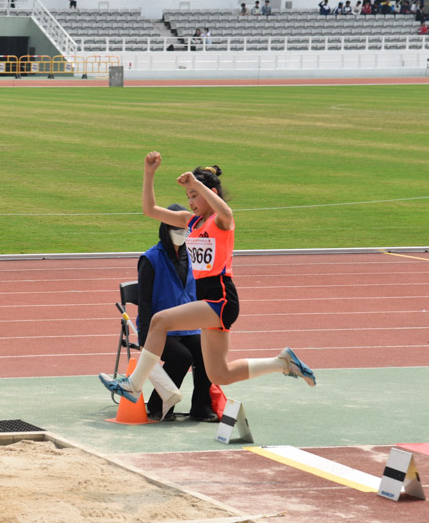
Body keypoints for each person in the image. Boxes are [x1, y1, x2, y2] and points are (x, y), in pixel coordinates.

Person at [99, 152, 316, 417]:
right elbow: (149, 210)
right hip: (209, 300)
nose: (190, 202)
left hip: (221, 297)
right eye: (188, 196)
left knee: (159, 321)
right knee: (220, 374)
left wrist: (198, 183)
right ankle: (282, 363)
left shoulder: (221, 221)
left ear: (209, 192)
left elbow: (226, 209)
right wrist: (149, 173)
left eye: (194, 195)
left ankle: (133, 386)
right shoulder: (191, 222)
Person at [137, 204, 215, 422]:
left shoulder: (192, 256)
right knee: (182, 357)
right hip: (160, 331)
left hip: (189, 326)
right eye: (176, 229)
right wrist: (144, 337)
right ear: (165, 229)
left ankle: (201, 407)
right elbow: (144, 303)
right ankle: (158, 405)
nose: (182, 234)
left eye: (184, 229)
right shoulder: (150, 259)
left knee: (206, 353)